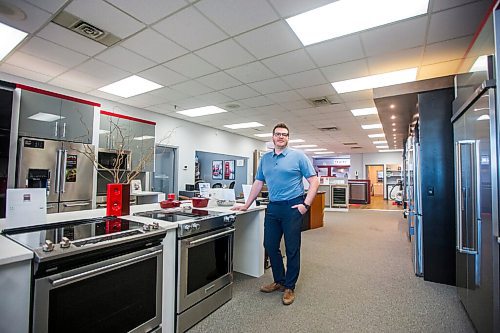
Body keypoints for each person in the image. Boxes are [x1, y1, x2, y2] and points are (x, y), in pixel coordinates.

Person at [232, 123, 319, 305]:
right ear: (272, 138)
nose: (281, 137)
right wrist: (246, 204)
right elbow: (258, 182)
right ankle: (279, 280)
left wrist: (306, 204)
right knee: (270, 245)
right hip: (273, 207)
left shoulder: (298, 156)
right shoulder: (265, 159)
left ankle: (290, 286)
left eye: (284, 134)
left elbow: (314, 180)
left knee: (292, 248)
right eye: (278, 134)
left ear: (288, 138)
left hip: (293, 207)